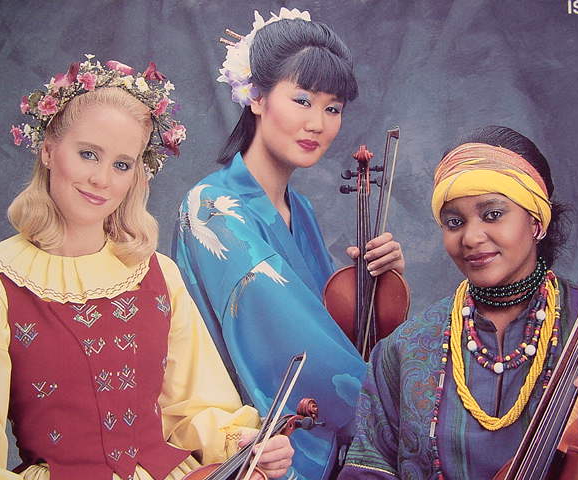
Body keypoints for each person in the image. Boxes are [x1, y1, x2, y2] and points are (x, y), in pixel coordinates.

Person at [0, 55, 293, 480]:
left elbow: (194, 406)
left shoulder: (158, 274)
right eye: (88, 154)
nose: (102, 179)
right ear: (48, 151)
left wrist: (244, 442)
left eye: (122, 164)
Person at [173, 8, 405, 480]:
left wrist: (378, 287)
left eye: (332, 108)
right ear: (256, 97)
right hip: (252, 440)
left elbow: (332, 329)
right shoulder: (212, 207)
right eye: (302, 100)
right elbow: (295, 343)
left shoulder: (301, 210)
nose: (317, 123)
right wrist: (399, 397)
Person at [338, 125, 578, 479]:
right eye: (454, 222)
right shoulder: (403, 349)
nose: (471, 237)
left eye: (493, 214)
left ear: (536, 221)